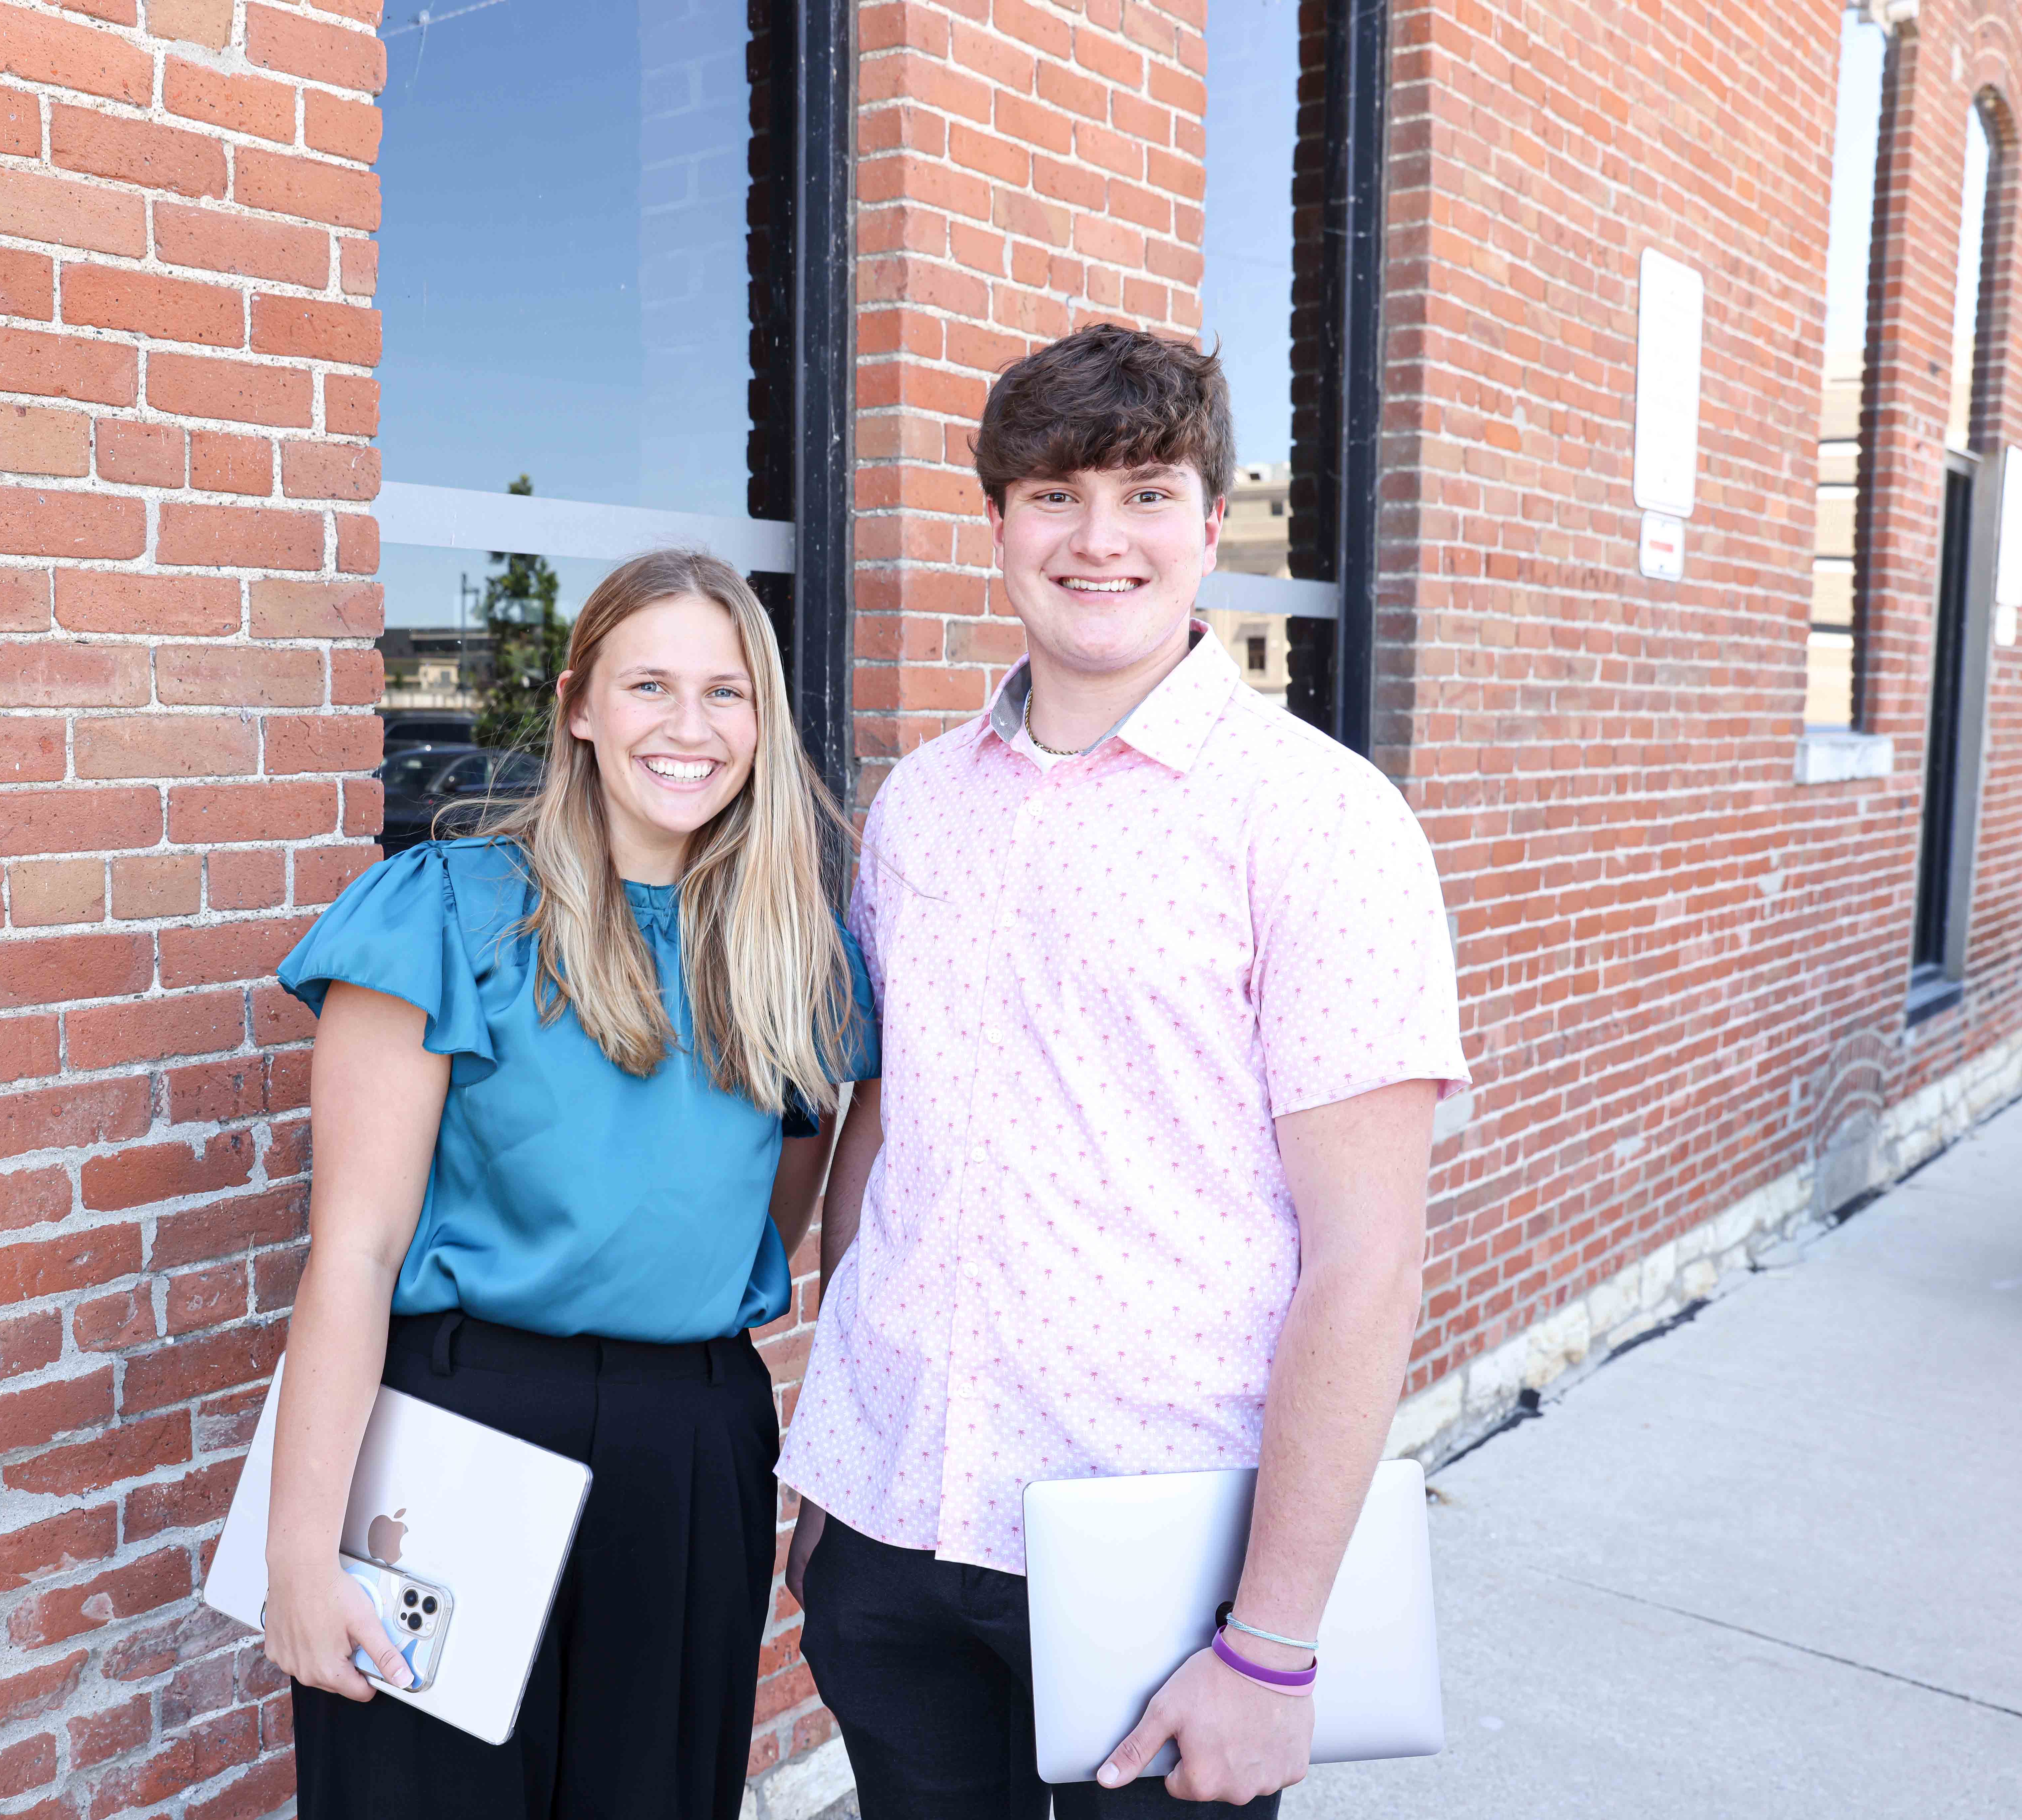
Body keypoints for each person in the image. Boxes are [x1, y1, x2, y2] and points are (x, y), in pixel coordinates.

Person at [778, 323, 1470, 1818]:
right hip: (892, 1529)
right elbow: (889, 1120)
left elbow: (1367, 1255)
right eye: (1052, 495)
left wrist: (1273, 1647)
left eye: (1146, 493)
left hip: (1163, 1567)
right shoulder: (916, 807)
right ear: (998, 526)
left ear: (1212, 526)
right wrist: (835, 1473)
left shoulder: (1315, 822)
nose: (1098, 539)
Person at [260, 548, 877, 1820]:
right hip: (459, 1418)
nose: (689, 728)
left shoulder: (793, 956)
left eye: (727, 693)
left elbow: (774, 1216)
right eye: (650, 685)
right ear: (579, 705)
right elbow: (355, 1253)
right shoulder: (442, 911)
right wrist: (300, 1554)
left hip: (691, 1441)